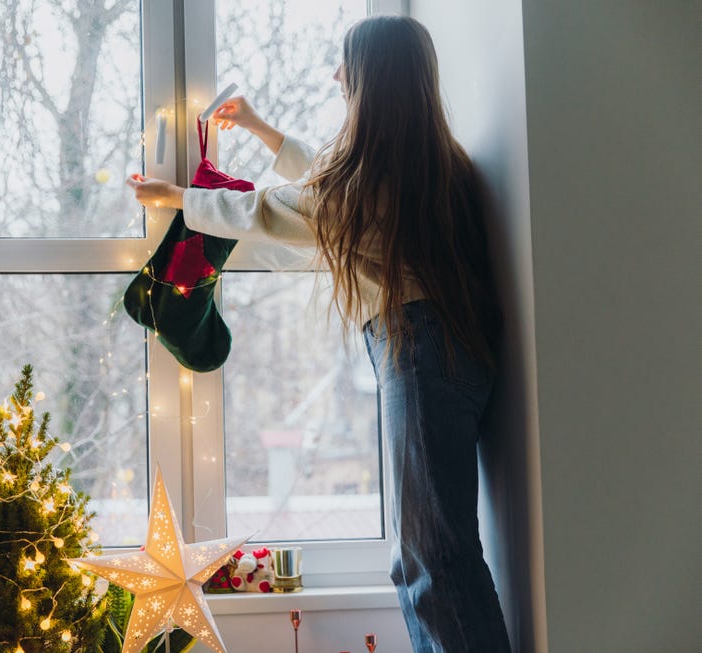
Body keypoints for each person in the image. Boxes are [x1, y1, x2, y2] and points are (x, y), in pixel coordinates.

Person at [126, 15, 511, 653]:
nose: (337, 77)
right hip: (447, 351)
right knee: (431, 557)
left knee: (431, 560)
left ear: (372, 82)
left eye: (346, 68)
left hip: (418, 352)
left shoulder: (377, 186)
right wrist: (259, 129)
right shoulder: (428, 166)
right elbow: (330, 185)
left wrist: (175, 197)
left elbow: (281, 208)